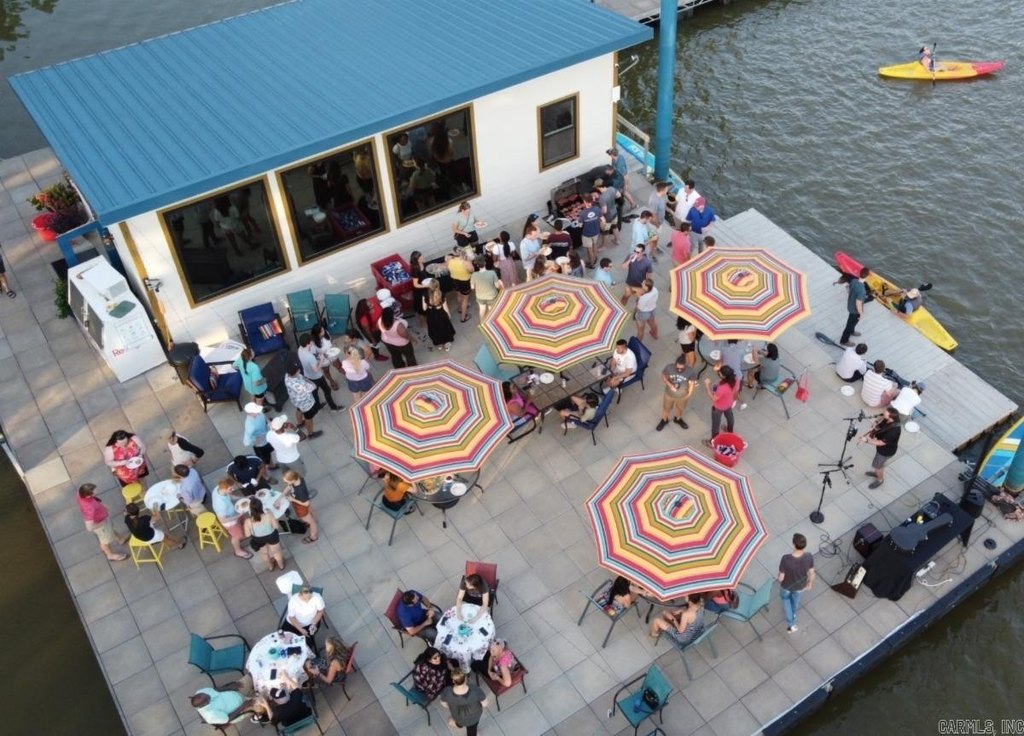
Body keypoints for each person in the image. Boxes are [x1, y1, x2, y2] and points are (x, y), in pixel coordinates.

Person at [77, 483, 128, 561]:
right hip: (101, 525)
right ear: (88, 495)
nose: (97, 491)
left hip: (103, 519)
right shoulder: (89, 508)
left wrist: (101, 506)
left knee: (110, 530)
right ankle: (110, 555)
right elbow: (89, 528)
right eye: (95, 491)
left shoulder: (80, 494)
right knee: (105, 542)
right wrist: (102, 523)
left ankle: (120, 539)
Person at [778, 533, 815, 633]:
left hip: (786, 586)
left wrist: (779, 578)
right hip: (800, 586)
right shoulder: (809, 557)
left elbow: (781, 578)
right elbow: (812, 573)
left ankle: (791, 624)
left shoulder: (786, 559)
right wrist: (810, 583)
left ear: (794, 544)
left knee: (786, 600)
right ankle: (792, 618)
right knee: (794, 602)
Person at [298, 333, 342, 411]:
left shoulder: (300, 349)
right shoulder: (310, 357)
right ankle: (333, 408)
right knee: (327, 390)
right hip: (317, 377)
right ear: (308, 343)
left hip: (308, 375)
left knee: (315, 392)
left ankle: (318, 405)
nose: (312, 342)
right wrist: (321, 360)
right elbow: (316, 369)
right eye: (311, 341)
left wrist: (317, 355)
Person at [860, 407, 902, 489]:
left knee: (878, 466)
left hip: (885, 452)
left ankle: (880, 479)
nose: (883, 413)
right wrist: (875, 423)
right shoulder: (891, 419)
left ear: (890, 417)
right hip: (882, 449)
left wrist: (867, 440)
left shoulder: (893, 431)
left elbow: (881, 443)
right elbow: (881, 417)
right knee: (879, 465)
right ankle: (877, 473)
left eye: (885, 413)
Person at [212, 478, 252, 559]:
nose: (233, 490)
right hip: (230, 522)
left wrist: (244, 498)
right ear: (224, 489)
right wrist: (239, 516)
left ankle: (245, 532)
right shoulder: (220, 505)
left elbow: (230, 496)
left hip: (233, 513)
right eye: (230, 489)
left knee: (244, 523)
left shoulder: (218, 488)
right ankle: (238, 551)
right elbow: (223, 520)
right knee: (237, 536)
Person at [190, 678, 257, 726]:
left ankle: (254, 692)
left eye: (203, 694)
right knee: (261, 701)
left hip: (235, 692)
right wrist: (243, 706)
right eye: (208, 697)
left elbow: (216, 689)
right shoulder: (211, 715)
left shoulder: (201, 692)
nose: (207, 694)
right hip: (242, 709)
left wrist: (230, 687)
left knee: (252, 677)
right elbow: (228, 719)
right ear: (205, 704)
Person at [439, 670, 488, 736]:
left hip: (458, 717)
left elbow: (443, 703)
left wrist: (450, 706)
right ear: (465, 678)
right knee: (472, 730)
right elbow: (485, 704)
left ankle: (458, 724)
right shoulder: (475, 689)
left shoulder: (447, 691)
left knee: (460, 722)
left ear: (453, 681)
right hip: (474, 717)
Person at [284, 362, 323, 439]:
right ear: (295, 373)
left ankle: (300, 423)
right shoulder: (298, 385)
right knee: (309, 418)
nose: (299, 370)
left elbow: (302, 378)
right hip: (306, 404)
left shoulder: (287, 376)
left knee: (299, 410)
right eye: (298, 370)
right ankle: (311, 434)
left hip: (297, 400)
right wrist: (310, 382)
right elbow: (313, 387)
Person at [244, 497, 284, 572]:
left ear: (250, 509)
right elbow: (276, 526)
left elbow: (247, 535)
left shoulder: (248, 521)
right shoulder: (269, 515)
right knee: (276, 552)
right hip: (272, 536)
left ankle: (270, 567)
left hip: (258, 539)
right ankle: (281, 566)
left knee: (264, 553)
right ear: (261, 507)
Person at [658, 355, 697, 431]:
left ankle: (678, 419)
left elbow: (692, 384)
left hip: (683, 396)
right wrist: (670, 385)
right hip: (669, 395)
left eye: (681, 369)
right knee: (666, 409)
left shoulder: (690, 371)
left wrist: (689, 395)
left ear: (685, 366)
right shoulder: (669, 367)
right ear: (675, 364)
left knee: (680, 409)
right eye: (677, 368)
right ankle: (664, 420)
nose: (679, 370)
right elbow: (663, 375)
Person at [703, 365, 739, 445]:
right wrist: (733, 400)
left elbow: (714, 398)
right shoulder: (736, 380)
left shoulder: (722, 388)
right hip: (729, 404)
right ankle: (730, 431)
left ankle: (713, 441)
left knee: (715, 424)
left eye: (720, 373)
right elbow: (736, 391)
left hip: (718, 407)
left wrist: (707, 386)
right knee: (730, 418)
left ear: (723, 376)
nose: (718, 373)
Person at [283, 584, 326, 650]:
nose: (307, 601)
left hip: (309, 625)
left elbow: (320, 611)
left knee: (307, 645)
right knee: (283, 639)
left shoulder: (317, 597)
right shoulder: (293, 600)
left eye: (309, 598)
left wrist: (314, 623)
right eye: (305, 599)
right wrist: (300, 629)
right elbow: (291, 617)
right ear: (300, 595)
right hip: (293, 624)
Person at [282, 469, 318, 543]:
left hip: (301, 507)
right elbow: (289, 486)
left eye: (286, 481)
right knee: (310, 513)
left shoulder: (300, 491)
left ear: (292, 480)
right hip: (301, 504)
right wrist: (284, 493)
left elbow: (306, 503)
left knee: (311, 522)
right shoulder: (298, 479)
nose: (285, 483)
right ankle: (312, 520)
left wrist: (292, 499)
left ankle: (313, 536)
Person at [379, 304, 418, 368]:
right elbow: (405, 335)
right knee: (409, 356)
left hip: (387, 341)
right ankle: (412, 368)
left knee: (395, 356)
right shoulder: (398, 325)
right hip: (402, 344)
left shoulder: (381, 320)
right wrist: (413, 339)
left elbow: (380, 328)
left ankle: (399, 367)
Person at [840, 266, 870, 347]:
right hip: (855, 311)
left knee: (853, 322)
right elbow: (858, 303)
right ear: (867, 277)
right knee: (849, 325)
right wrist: (861, 313)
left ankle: (852, 331)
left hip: (850, 305)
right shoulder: (862, 290)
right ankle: (844, 340)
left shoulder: (854, 281)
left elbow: (849, 289)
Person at [243, 402, 276, 472]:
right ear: (250, 413)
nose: (259, 411)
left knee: (268, 454)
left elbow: (266, 419)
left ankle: (271, 465)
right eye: (256, 411)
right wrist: (255, 440)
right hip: (260, 444)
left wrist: (270, 426)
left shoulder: (260, 413)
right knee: (263, 459)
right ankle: (266, 471)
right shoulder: (250, 425)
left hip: (267, 437)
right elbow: (247, 440)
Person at [424, 280, 456, 352]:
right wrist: (449, 315)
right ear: (438, 286)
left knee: (434, 329)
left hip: (431, 315)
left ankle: (439, 344)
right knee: (444, 329)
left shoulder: (425, 295)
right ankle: (446, 344)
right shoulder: (441, 294)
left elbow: (424, 308)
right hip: (441, 315)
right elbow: (445, 307)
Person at [470, 254, 503, 319]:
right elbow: (497, 286)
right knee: (492, 311)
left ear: (477, 265)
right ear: (485, 263)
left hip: (480, 296)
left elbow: (472, 287)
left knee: (482, 310)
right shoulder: (492, 273)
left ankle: (482, 322)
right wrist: (500, 284)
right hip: (492, 296)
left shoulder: (474, 275)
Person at [446, 249, 474, 323]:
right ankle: (463, 317)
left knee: (458, 294)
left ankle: (460, 309)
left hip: (454, 280)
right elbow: (472, 270)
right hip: (464, 281)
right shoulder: (466, 262)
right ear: (462, 253)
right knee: (465, 299)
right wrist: (470, 262)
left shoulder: (449, 261)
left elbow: (448, 269)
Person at [621, 244, 653, 308]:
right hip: (630, 283)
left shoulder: (647, 262)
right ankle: (621, 308)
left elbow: (648, 275)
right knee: (625, 297)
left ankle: (636, 312)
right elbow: (623, 267)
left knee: (639, 302)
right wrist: (629, 260)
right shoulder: (630, 256)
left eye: (638, 252)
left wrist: (645, 287)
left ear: (642, 253)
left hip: (640, 286)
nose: (635, 253)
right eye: (635, 251)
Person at [579, 190, 602, 269]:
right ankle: (595, 258)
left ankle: (592, 264)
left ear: (584, 201)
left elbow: (580, 225)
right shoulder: (597, 208)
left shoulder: (583, 213)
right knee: (595, 245)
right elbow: (601, 218)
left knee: (589, 249)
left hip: (587, 234)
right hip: (596, 231)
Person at [409, 250, 430, 330]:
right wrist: (426, 286)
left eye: (422, 256)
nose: (423, 257)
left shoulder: (422, 264)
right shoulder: (415, 269)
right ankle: (424, 325)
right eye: (420, 257)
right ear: (417, 260)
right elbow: (415, 284)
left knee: (427, 308)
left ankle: (428, 322)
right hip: (420, 292)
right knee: (422, 310)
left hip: (425, 288)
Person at [634, 277, 659, 341]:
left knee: (641, 330)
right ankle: (655, 335)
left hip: (643, 313)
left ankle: (638, 342)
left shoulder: (643, 298)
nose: (641, 283)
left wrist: (638, 297)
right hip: (652, 310)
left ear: (646, 287)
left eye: (643, 283)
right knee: (652, 323)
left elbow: (639, 307)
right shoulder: (655, 289)